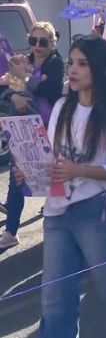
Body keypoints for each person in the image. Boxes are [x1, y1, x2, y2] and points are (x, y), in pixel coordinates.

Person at [15, 36, 106, 338]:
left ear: (103, 69)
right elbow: (51, 157)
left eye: (82, 64)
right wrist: (28, 171)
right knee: (55, 299)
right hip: (55, 213)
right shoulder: (64, 106)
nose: (73, 70)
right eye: (71, 63)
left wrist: (78, 170)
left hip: (95, 211)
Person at [0, 21, 64, 250]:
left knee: (51, 177)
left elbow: (52, 90)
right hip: (22, 127)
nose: (37, 46)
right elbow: (11, 90)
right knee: (16, 179)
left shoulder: (56, 63)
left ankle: (58, 228)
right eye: (32, 40)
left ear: (52, 43)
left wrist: (25, 80)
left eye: (42, 41)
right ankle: (10, 231)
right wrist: (15, 95)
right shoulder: (24, 61)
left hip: (48, 128)